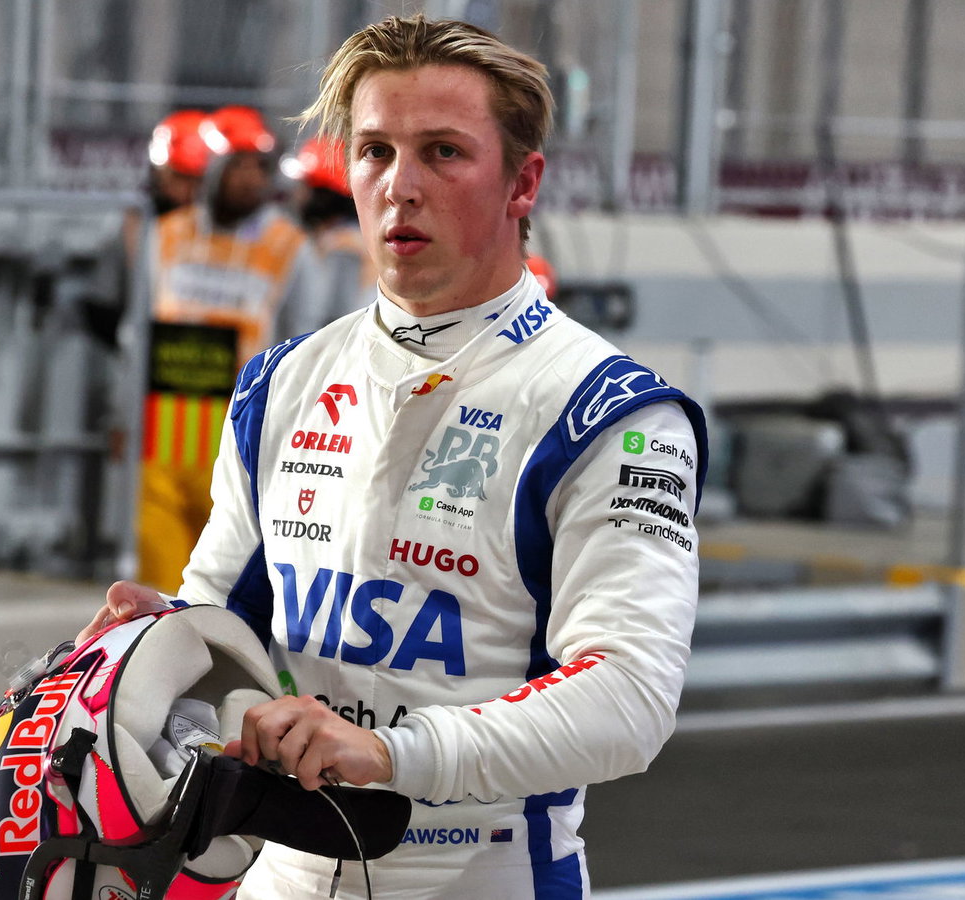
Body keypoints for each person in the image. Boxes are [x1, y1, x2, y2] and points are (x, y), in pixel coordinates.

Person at [82, 15, 706, 898]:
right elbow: (224, 623)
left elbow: (631, 699)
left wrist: (391, 754)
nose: (400, 186)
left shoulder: (611, 413)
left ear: (523, 182)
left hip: (485, 874)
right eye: (375, 151)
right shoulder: (282, 381)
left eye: (444, 153)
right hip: (280, 873)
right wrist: (161, 638)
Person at [139, 105, 317, 594]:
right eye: (238, 165)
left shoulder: (290, 246)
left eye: (258, 167)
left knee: (225, 586)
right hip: (165, 425)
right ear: (213, 168)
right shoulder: (165, 234)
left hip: (242, 426)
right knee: (158, 581)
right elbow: (139, 331)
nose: (250, 178)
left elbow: (307, 343)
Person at [281, 134, 376, 333]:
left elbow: (334, 320)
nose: (297, 195)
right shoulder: (336, 237)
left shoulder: (344, 247)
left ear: (323, 196)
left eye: (304, 186)